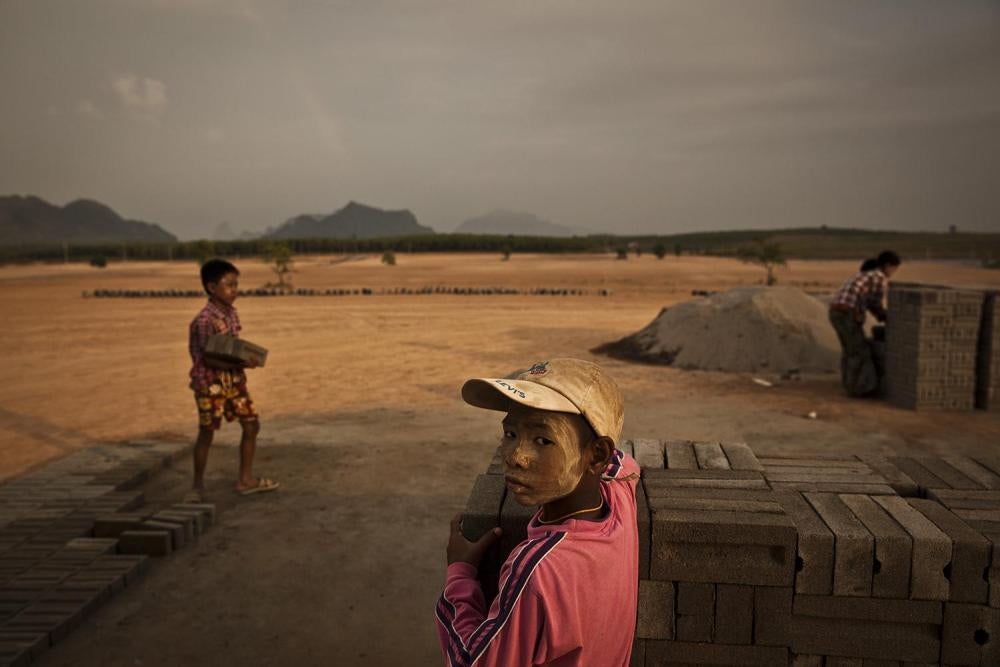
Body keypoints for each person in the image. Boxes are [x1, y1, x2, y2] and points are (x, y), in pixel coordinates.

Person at [436, 358, 638, 666]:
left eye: (543, 440)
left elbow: (470, 661)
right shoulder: (619, 500)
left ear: (595, 455)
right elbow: (622, 462)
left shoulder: (537, 569)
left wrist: (460, 573)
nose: (516, 457)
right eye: (510, 434)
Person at [187, 258, 278, 500]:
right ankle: (197, 487)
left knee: (251, 424)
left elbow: (231, 348)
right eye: (229, 285)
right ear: (211, 288)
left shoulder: (230, 314)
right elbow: (209, 359)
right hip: (210, 382)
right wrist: (243, 363)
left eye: (236, 285)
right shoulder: (204, 321)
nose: (235, 290)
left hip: (233, 380)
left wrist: (243, 362)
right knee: (206, 432)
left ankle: (246, 480)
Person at [829, 250, 902, 397]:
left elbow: (868, 301)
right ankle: (861, 389)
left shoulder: (865, 274)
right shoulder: (879, 277)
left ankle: (850, 384)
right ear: (887, 266)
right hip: (847, 314)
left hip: (836, 312)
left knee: (850, 350)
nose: (893, 273)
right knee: (859, 351)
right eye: (894, 269)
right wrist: (886, 317)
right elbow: (874, 303)